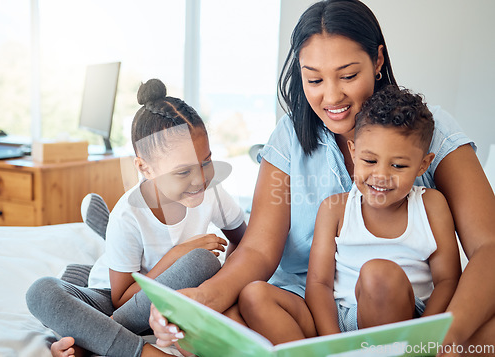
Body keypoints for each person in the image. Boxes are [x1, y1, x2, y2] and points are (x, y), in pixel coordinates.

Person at [151, 0, 495, 355]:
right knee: (210, 325)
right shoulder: (289, 137)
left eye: (348, 76)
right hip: (312, 313)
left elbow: (489, 247)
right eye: (313, 79)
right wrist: (201, 299)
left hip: (407, 309)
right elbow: (257, 248)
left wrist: (448, 334)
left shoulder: (427, 129)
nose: (331, 96)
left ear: (377, 61)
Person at [26, 78, 246, 357]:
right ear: (145, 168)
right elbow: (120, 301)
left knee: (203, 262)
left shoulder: (214, 193)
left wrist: (223, 284)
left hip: (173, 300)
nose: (200, 179)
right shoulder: (128, 215)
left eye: (206, 163)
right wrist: (175, 255)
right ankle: (140, 352)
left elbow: (248, 245)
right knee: (42, 292)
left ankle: (93, 339)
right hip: (116, 302)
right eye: (183, 171)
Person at [304, 84, 460, 337]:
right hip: (346, 319)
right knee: (257, 295)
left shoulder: (432, 205)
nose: (381, 176)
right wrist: (332, 340)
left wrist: (424, 336)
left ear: (423, 165)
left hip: (410, 319)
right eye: (369, 161)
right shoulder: (335, 208)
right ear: (353, 152)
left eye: (398, 165)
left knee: (378, 274)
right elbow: (318, 283)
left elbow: (448, 281)